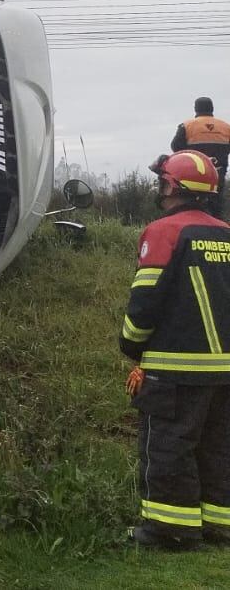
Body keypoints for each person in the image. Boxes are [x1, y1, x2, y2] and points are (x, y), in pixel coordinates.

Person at [120, 150, 230, 549]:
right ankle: (219, 527)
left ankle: (170, 531)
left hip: (175, 369)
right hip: (225, 371)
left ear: (171, 186)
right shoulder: (227, 233)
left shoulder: (164, 231)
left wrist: (130, 343)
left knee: (168, 447)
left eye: (163, 181)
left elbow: (145, 301)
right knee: (218, 449)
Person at [171, 97, 230, 174]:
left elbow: (175, 146)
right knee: (218, 186)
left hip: (195, 171)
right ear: (212, 108)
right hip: (218, 170)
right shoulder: (226, 127)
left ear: (195, 109)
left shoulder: (186, 126)